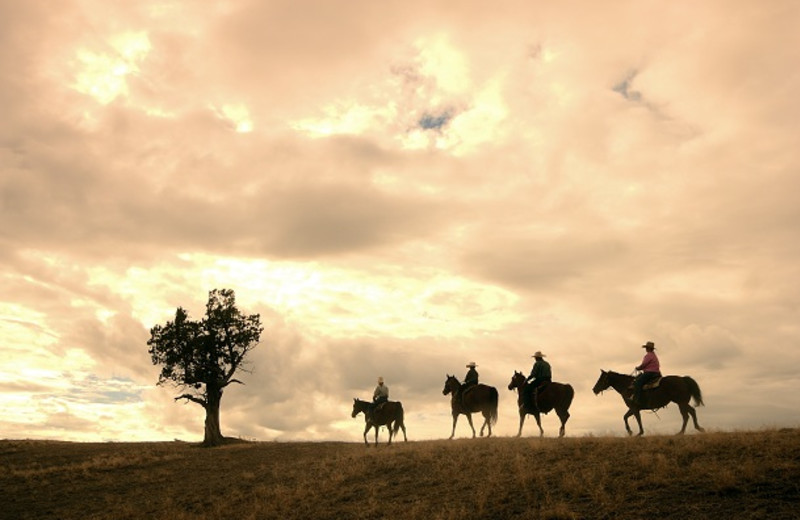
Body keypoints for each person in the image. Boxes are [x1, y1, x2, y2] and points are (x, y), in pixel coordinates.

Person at [633, 341, 661, 406]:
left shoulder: (648, 355)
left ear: (648, 348)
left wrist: (638, 368)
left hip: (650, 372)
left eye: (646, 348)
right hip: (656, 372)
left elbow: (644, 365)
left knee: (638, 382)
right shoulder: (653, 355)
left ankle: (637, 399)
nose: (646, 349)